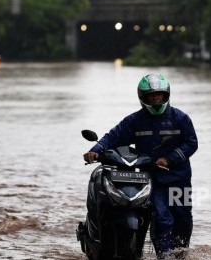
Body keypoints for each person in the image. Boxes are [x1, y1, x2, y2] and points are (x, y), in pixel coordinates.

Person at [83, 74, 198, 259]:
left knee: (183, 220)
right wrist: (95, 150)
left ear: (166, 95)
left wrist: (169, 159)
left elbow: (192, 143)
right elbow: (113, 136)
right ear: (143, 98)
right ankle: (164, 256)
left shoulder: (181, 118)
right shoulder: (135, 121)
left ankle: (180, 255)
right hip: (152, 179)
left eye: (158, 95)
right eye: (151, 96)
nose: (155, 99)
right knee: (162, 219)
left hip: (180, 180)